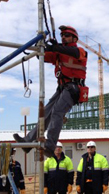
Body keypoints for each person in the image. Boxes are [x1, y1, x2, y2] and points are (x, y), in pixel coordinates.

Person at [13, 25, 88, 157]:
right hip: (62, 88)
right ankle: (27, 141)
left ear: (74, 38)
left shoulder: (80, 51)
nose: (63, 37)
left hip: (73, 88)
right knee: (46, 114)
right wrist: (41, 44)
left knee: (57, 112)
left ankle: (50, 145)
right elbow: (43, 56)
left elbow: (74, 53)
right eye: (62, 36)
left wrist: (56, 47)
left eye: (66, 35)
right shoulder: (59, 54)